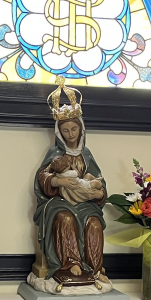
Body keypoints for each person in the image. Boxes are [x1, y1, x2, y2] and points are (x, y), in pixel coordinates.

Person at [34, 78, 108, 288]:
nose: (70, 134)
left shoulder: (87, 154)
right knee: (64, 218)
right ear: (59, 132)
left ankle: (95, 267)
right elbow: (41, 179)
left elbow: (99, 182)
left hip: (84, 203)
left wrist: (98, 194)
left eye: (73, 129)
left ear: (80, 128)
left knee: (94, 222)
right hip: (59, 202)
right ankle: (71, 264)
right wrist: (57, 180)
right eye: (65, 131)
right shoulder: (54, 153)